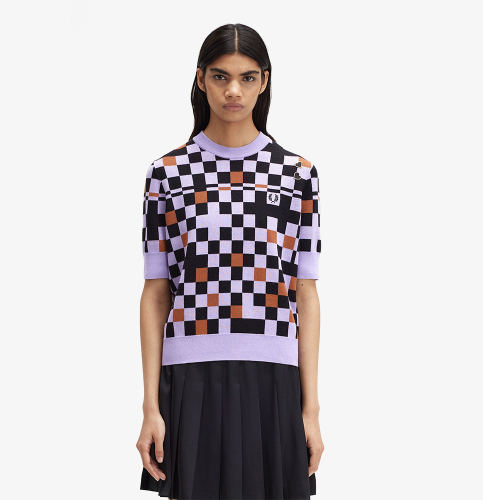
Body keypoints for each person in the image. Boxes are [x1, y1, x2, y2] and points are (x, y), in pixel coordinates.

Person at [136, 23, 324, 500]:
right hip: (191, 377)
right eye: (220, 77)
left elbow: (305, 294)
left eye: (247, 77)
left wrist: (311, 409)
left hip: (274, 378)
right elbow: (156, 292)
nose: (233, 90)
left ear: (264, 81)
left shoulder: (297, 175)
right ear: (201, 79)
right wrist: (150, 406)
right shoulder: (167, 174)